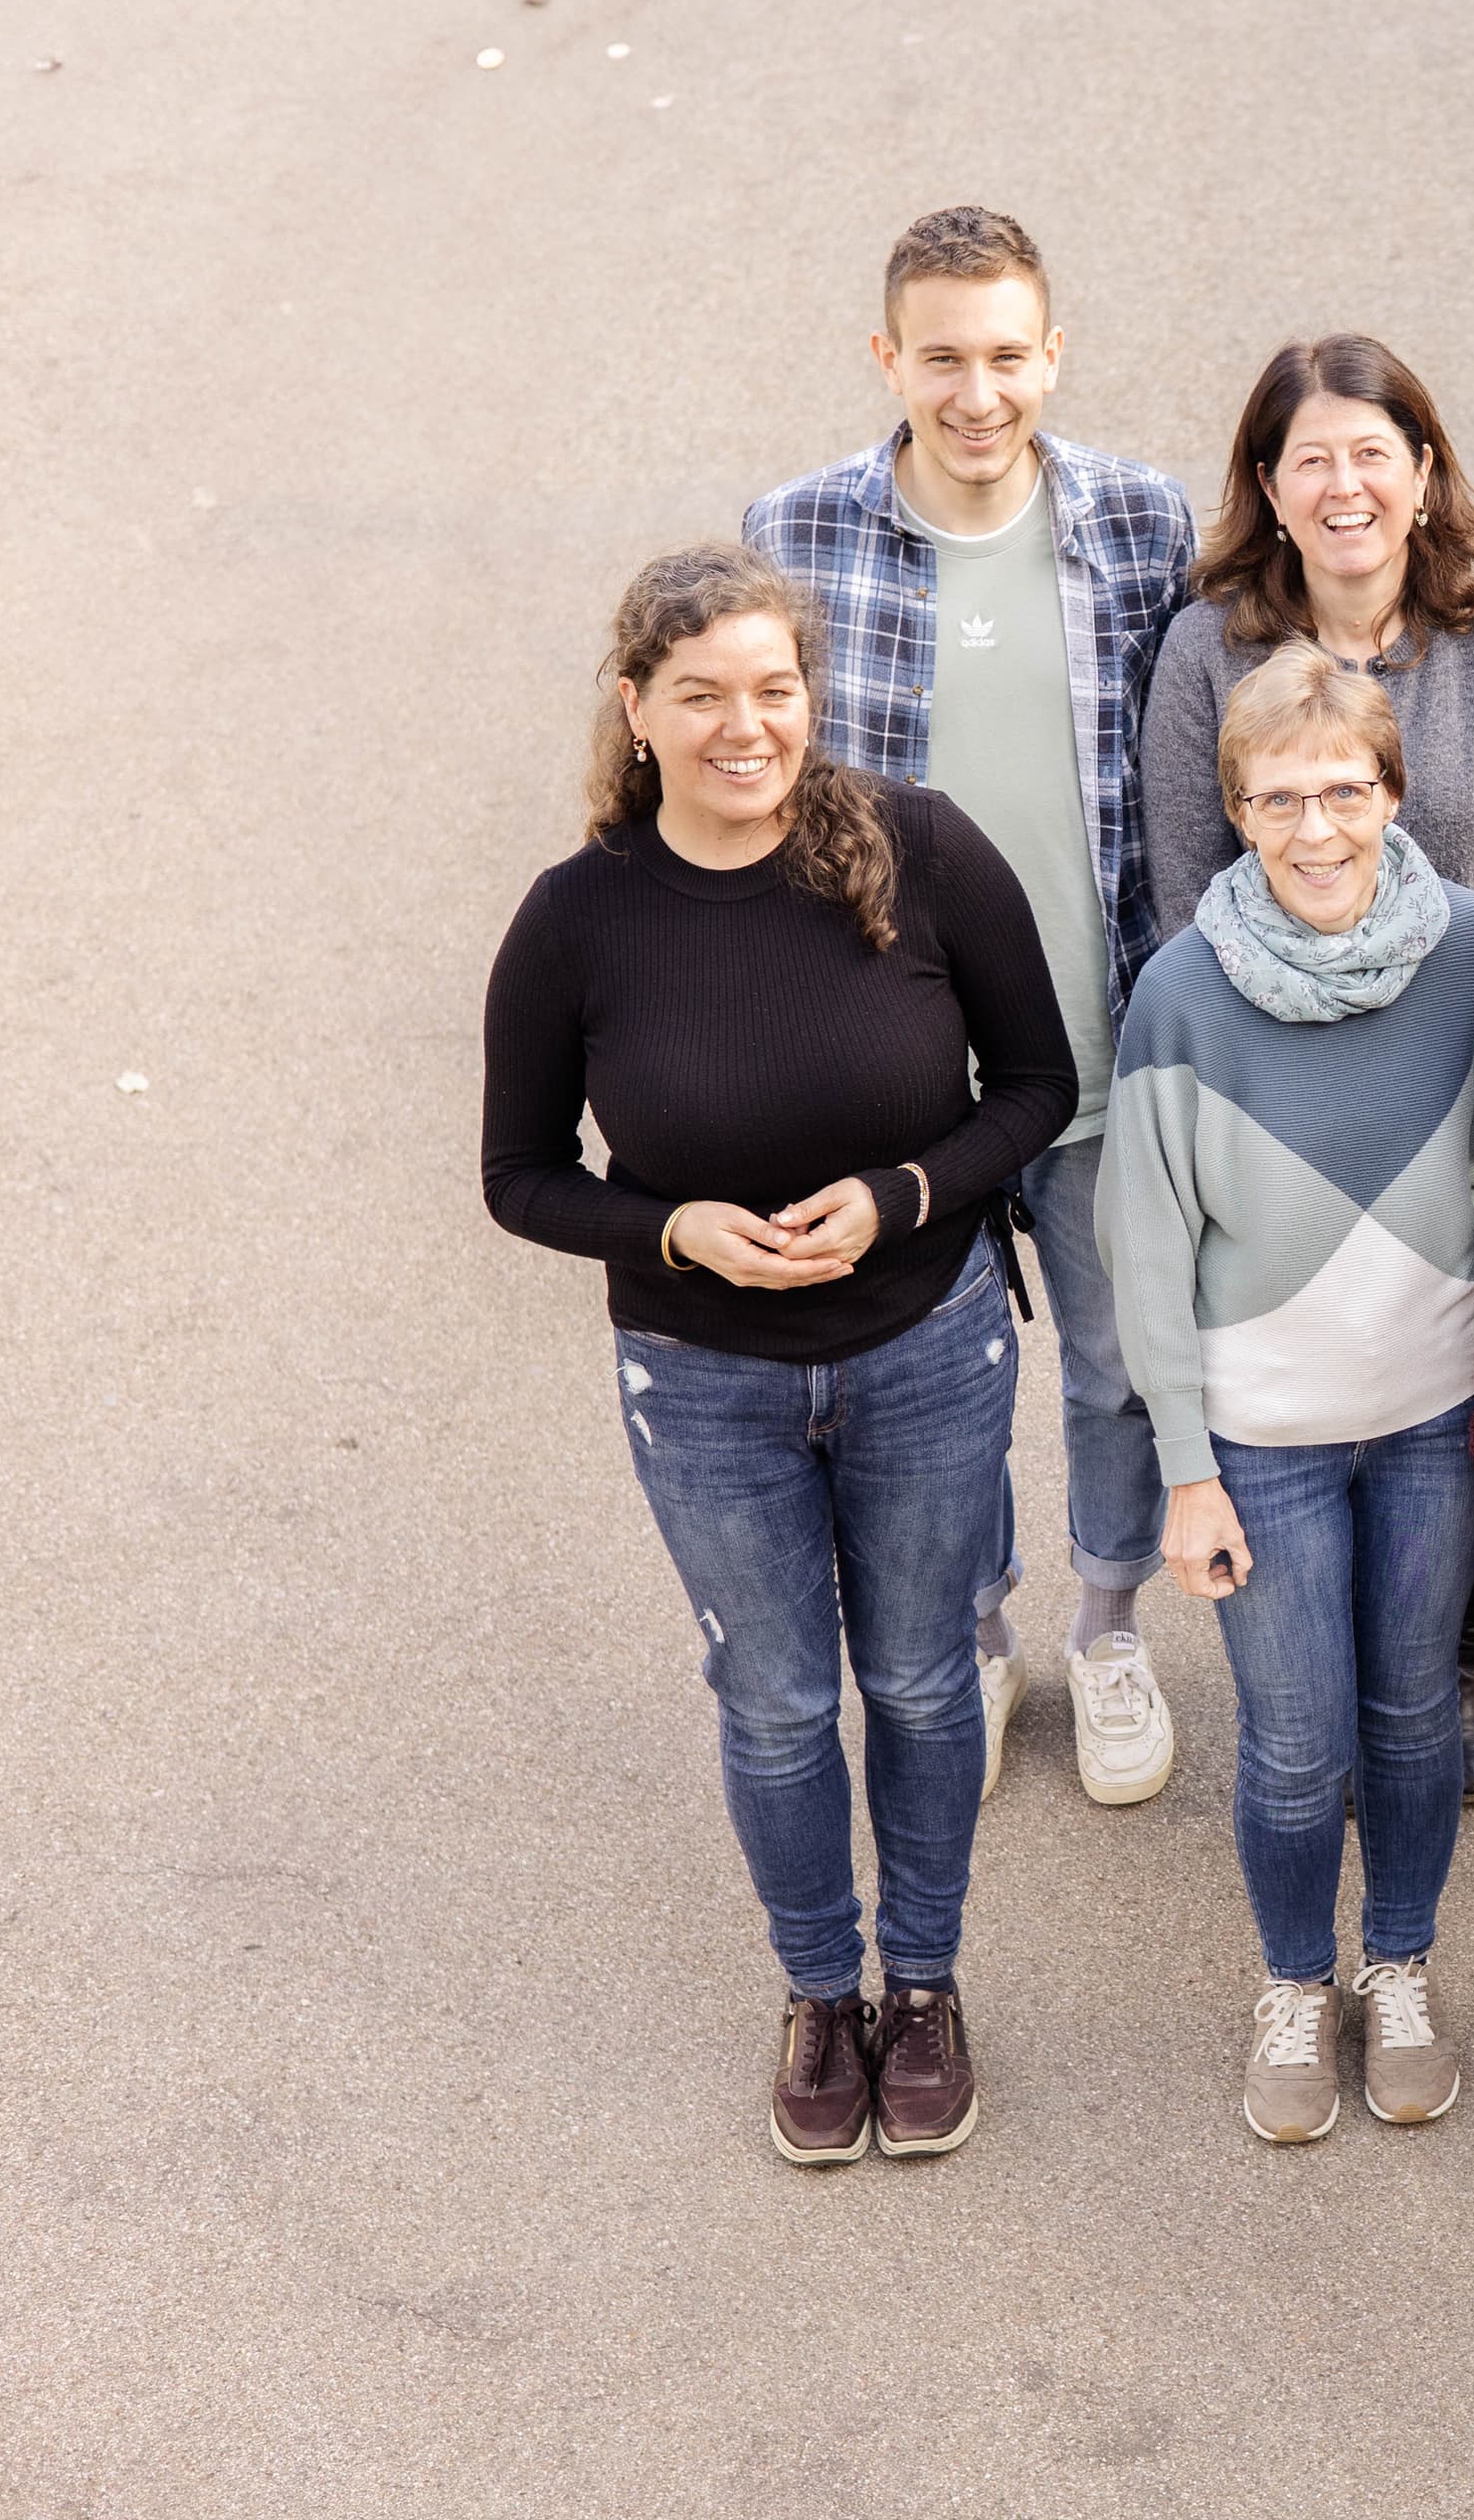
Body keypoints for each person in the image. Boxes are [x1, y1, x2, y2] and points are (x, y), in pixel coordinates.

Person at [481, 544, 1084, 2167]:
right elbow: (519, 1178)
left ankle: (928, 1986)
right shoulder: (577, 922)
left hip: (924, 1349)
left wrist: (902, 1194)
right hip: (705, 1382)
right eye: (702, 697)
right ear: (638, 710)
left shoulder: (923, 851)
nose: (746, 727)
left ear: (811, 698)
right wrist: (675, 1232)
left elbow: (1036, 1086)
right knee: (774, 1701)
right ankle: (823, 1992)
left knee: (917, 1679)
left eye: (774, 690)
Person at [743, 205, 1194, 1813]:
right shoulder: (793, 534)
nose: (979, 391)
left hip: (1097, 1037)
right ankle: (981, 1630)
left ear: (1052, 353)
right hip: (900, 1069)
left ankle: (1111, 1627)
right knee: (939, 1383)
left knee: (1118, 1362)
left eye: (1009, 356)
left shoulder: (1144, 524)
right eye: (944, 358)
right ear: (889, 360)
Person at [1139, 333, 1474, 1808]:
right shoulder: (1209, 648)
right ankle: (1311, 1671)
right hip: (1269, 1057)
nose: (1344, 485)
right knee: (1296, 1364)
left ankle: (1447, 1654)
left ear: (1423, 471)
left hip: (1457, 1045)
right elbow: (1186, 880)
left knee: (1447, 1353)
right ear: (1268, 488)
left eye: (1371, 453)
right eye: (1309, 459)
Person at [1101, 644, 1474, 2143]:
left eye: (1345, 789)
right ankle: (1294, 1981)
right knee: (1292, 1741)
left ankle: (1397, 1969)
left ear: (1395, 791)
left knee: (1412, 1717)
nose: (1318, 827)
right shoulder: (1182, 992)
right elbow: (1146, 1253)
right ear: (1238, 810)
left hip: (1434, 1421)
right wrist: (1187, 1473)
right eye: (1281, 799)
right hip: (1260, 1441)